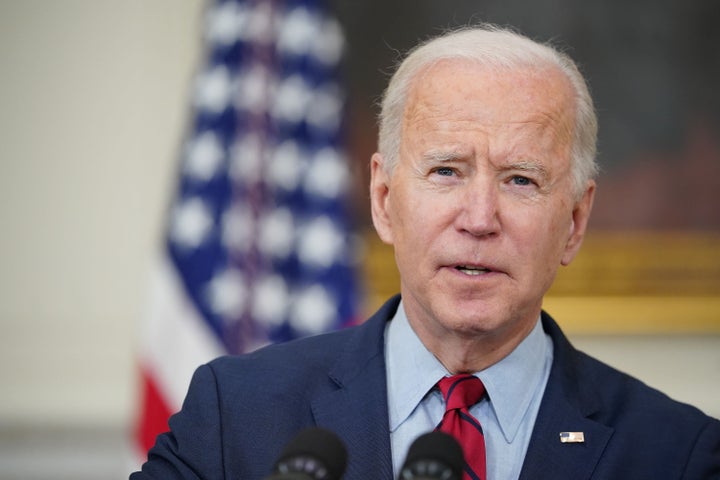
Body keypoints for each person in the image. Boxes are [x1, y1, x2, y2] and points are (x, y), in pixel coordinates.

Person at [132, 25, 720, 480]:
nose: (480, 218)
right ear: (384, 200)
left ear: (574, 221)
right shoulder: (236, 414)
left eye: (520, 179)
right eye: (446, 171)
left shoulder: (677, 454)